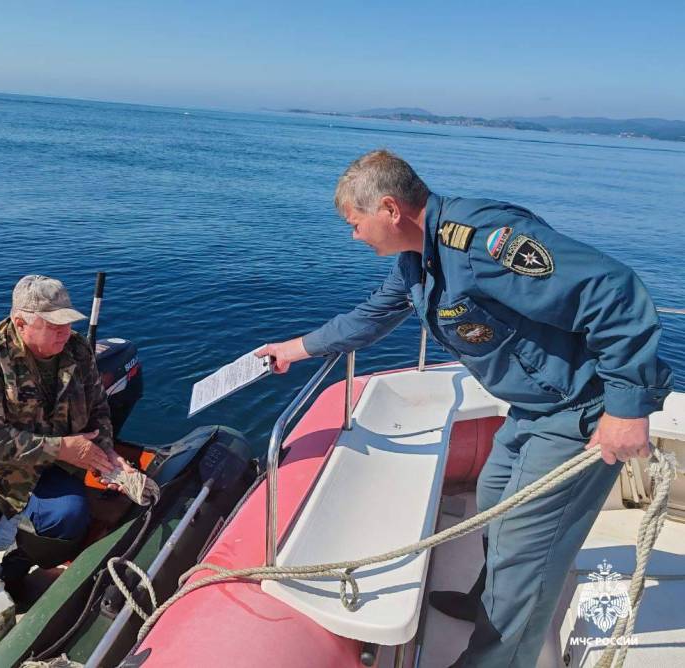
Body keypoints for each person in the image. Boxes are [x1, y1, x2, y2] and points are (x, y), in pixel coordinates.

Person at [257, 150, 672, 667]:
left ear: (389, 209)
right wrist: (293, 349)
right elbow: (371, 318)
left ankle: (498, 653)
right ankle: (484, 602)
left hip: (578, 411)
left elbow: (614, 292)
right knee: (493, 501)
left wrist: (627, 409)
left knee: (525, 555)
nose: (354, 236)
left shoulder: (482, 243)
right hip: (531, 409)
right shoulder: (418, 259)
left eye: (355, 223)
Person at [0, 274, 132, 596]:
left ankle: (16, 570)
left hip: (50, 463)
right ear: (20, 322)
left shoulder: (77, 350)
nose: (65, 333)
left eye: (68, 323)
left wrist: (106, 457)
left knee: (66, 519)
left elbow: (98, 407)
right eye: (54, 325)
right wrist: (60, 448)